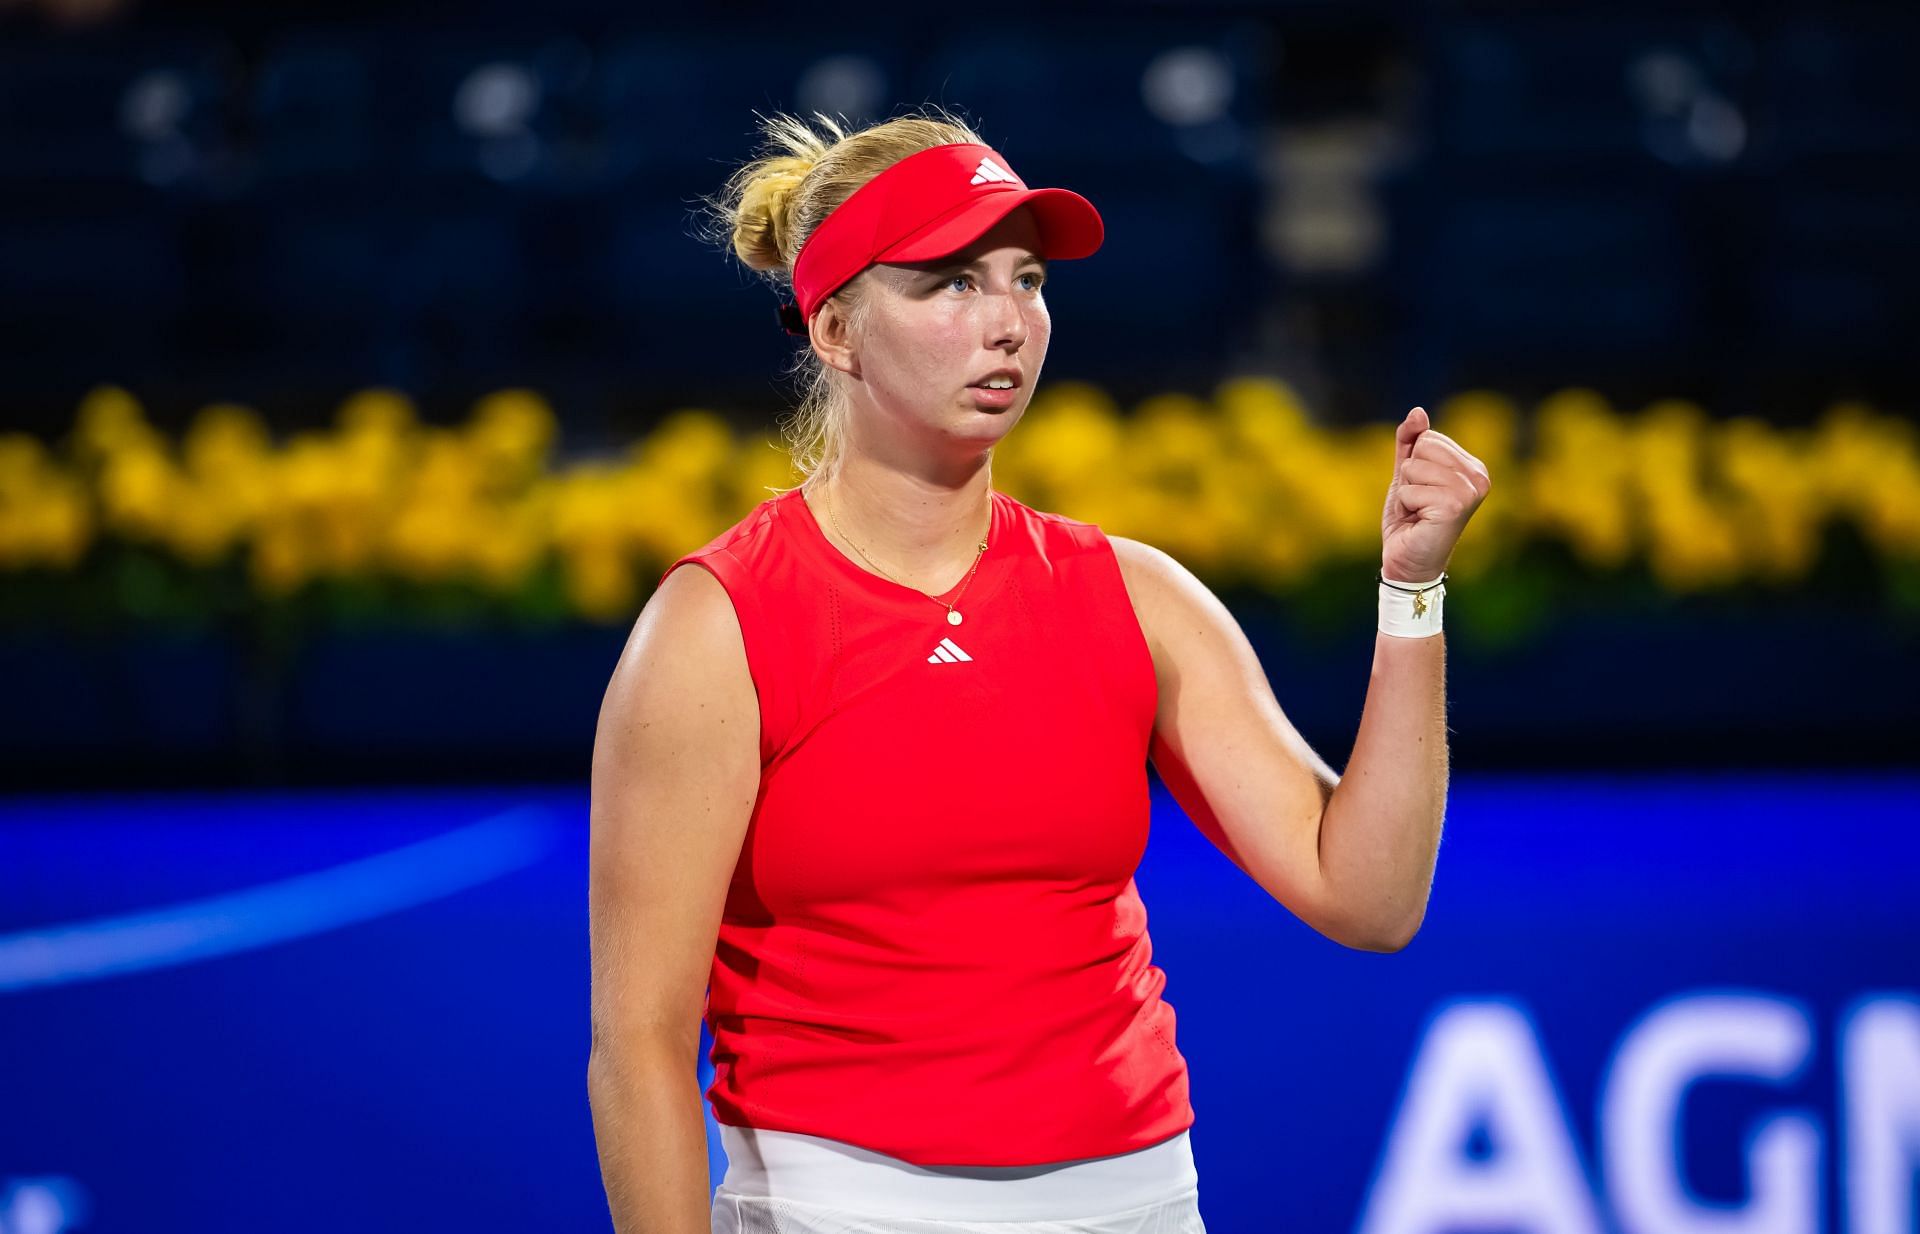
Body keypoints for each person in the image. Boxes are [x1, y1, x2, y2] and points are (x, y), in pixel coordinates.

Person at [587, 106, 1490, 1234]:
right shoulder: (715, 628)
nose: (1009, 322)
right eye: (954, 283)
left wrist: (1412, 591)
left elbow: (1370, 895)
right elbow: (640, 1044)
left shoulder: (1135, 596)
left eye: (1027, 280)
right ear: (835, 330)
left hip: (1143, 1198)